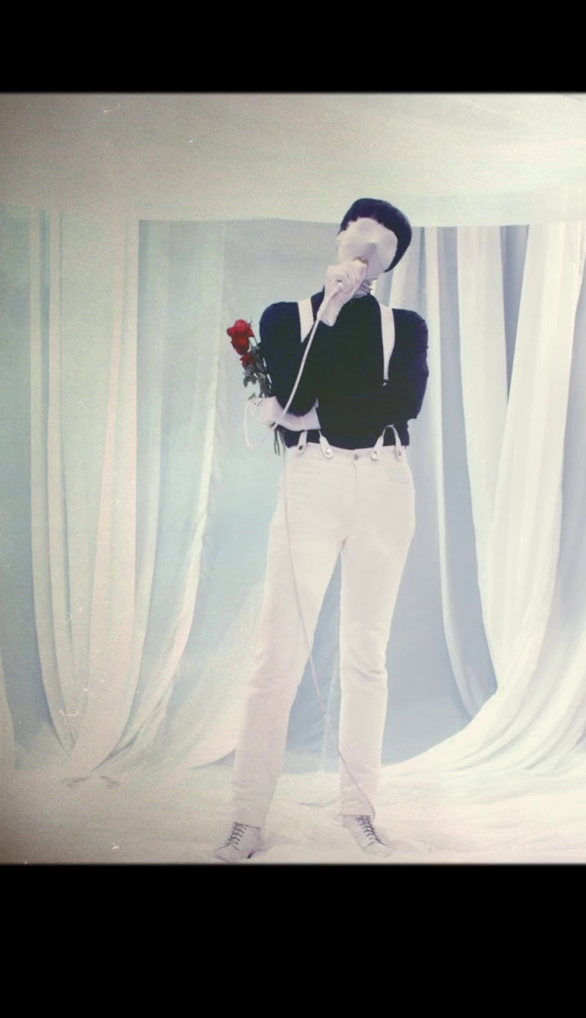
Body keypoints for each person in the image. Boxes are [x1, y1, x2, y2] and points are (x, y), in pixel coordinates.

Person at [212, 198, 427, 863]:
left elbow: (402, 404)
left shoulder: (405, 326)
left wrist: (304, 415)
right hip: (312, 483)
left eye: (382, 251)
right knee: (276, 651)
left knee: (366, 654)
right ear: (338, 238)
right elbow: (298, 395)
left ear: (389, 266)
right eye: (359, 239)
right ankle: (247, 817)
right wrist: (328, 315)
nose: (365, 255)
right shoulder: (287, 317)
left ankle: (359, 810)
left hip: (384, 483)